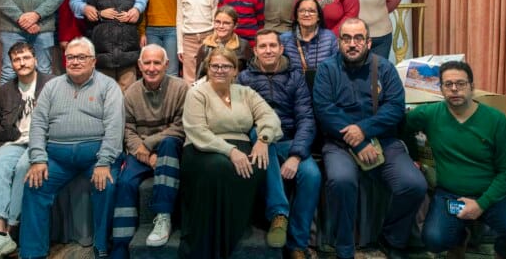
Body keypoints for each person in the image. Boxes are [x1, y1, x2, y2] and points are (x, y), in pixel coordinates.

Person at [313, 18, 427, 259]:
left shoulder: (384, 68)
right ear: (339, 41)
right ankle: (344, 246)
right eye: (346, 38)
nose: (352, 44)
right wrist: (358, 141)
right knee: (342, 181)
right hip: (339, 144)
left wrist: (364, 131)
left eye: (358, 38)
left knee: (414, 185)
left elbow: (395, 107)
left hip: (384, 141)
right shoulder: (326, 69)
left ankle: (392, 238)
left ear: (368, 42)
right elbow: (325, 110)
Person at [405, 61, 506, 259]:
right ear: (441, 89)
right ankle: (458, 241)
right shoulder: (430, 114)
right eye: (448, 84)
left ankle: (502, 251)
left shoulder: (496, 121)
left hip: (493, 195)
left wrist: (481, 204)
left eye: (461, 83)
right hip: (450, 194)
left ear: (472, 87)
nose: (454, 89)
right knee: (433, 240)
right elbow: (402, 125)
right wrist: (412, 156)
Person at [18, 37, 123, 259]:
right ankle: (32, 253)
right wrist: (37, 159)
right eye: (71, 57)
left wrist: (104, 162)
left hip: (95, 156)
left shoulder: (108, 86)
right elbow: (38, 124)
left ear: (93, 61)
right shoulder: (52, 87)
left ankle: (102, 246)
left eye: (81, 57)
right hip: (57, 157)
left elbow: (114, 127)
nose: (75, 62)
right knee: (34, 185)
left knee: (107, 186)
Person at [179, 47, 283, 258]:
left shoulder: (245, 93)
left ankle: (234, 227)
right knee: (220, 167)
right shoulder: (197, 93)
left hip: (242, 147)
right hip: (202, 148)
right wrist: (230, 151)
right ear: (207, 68)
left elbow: (270, 117)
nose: (220, 70)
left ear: (235, 70)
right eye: (215, 65)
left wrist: (263, 139)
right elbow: (197, 130)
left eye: (226, 66)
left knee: (257, 163)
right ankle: (206, 244)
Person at [237, 30, 321, 259]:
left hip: (291, 140)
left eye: (272, 45)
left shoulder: (295, 76)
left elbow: (306, 118)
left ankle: (297, 244)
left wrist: (296, 155)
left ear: (281, 48)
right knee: (258, 133)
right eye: (262, 46)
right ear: (255, 50)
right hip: (260, 140)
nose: (268, 50)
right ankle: (279, 213)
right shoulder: (244, 78)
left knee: (312, 175)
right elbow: (241, 117)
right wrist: (263, 137)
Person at [0, 42, 54, 259]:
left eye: (26, 58)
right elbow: (0, 131)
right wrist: (12, 133)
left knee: (23, 168)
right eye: (17, 60)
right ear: (11, 64)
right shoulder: (5, 90)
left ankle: (9, 232)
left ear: (35, 59)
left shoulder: (51, 83)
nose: (22, 63)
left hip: (41, 142)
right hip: (14, 142)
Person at [111, 44, 188, 257]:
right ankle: (120, 245)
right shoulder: (131, 93)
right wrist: (143, 152)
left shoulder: (181, 88)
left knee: (170, 142)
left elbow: (182, 126)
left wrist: (150, 143)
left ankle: (163, 216)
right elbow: (127, 130)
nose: (152, 68)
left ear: (167, 64)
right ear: (139, 65)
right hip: (141, 152)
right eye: (147, 63)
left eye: (157, 63)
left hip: (172, 150)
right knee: (125, 182)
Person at [90, 0, 141, 92]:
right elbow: (88, 15)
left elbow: (141, 16)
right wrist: (100, 14)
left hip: (127, 50)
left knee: (128, 91)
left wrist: (133, 15)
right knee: (105, 92)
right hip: (104, 50)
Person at [280, 0, 337, 92]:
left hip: (324, 90)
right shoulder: (284, 39)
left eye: (312, 11)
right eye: (302, 11)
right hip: (294, 91)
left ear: (319, 16)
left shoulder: (330, 37)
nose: (306, 14)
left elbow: (337, 68)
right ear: (296, 16)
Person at [176, 0, 218, 84]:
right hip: (188, 39)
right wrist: (180, 47)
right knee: (189, 77)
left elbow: (215, 19)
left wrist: (214, 40)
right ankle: (191, 102)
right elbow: (179, 20)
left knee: (208, 73)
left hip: (208, 37)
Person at [195, 5, 252, 79]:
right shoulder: (205, 47)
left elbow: (250, 75)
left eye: (226, 23)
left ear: (235, 26)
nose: (221, 26)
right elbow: (199, 77)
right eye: (217, 22)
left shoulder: (243, 46)